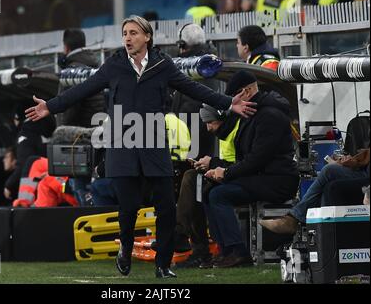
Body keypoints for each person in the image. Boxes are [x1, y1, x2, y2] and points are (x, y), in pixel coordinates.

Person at [25, 15, 256, 278]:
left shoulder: (162, 65)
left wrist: (228, 103)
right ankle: (125, 246)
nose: (128, 38)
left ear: (147, 37)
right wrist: (50, 106)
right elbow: (83, 89)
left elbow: (194, 89)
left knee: (167, 207)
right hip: (122, 145)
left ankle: (163, 264)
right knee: (129, 207)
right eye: (125, 33)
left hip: (154, 144)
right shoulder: (114, 65)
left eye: (134, 33)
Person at [204, 70, 300, 268]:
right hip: (262, 177)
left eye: (234, 97)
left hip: (276, 180)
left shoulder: (269, 116)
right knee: (209, 191)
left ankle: (238, 252)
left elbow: (257, 159)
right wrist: (219, 170)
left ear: (246, 92)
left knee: (219, 195)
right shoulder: (253, 113)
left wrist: (227, 173)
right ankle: (226, 250)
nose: (232, 103)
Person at [174, 104, 240, 269]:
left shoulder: (237, 130)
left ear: (221, 117)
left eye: (210, 122)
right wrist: (207, 165)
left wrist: (213, 164)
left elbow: (244, 163)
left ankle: (184, 237)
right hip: (227, 175)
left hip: (238, 178)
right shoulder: (225, 131)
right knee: (194, 183)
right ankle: (192, 243)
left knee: (198, 187)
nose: (208, 128)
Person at [260, 149, 369, 234]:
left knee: (329, 171)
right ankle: (321, 234)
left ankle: (295, 220)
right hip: (364, 170)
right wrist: (355, 160)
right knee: (328, 184)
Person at [172, 23, 219, 161]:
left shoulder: (195, 69)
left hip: (192, 143)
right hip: (199, 140)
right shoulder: (206, 64)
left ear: (183, 45)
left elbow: (189, 110)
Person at [58, 28, 105, 128]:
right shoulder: (95, 65)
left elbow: (68, 110)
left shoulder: (72, 73)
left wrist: (61, 133)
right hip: (100, 129)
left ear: (66, 48)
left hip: (82, 135)